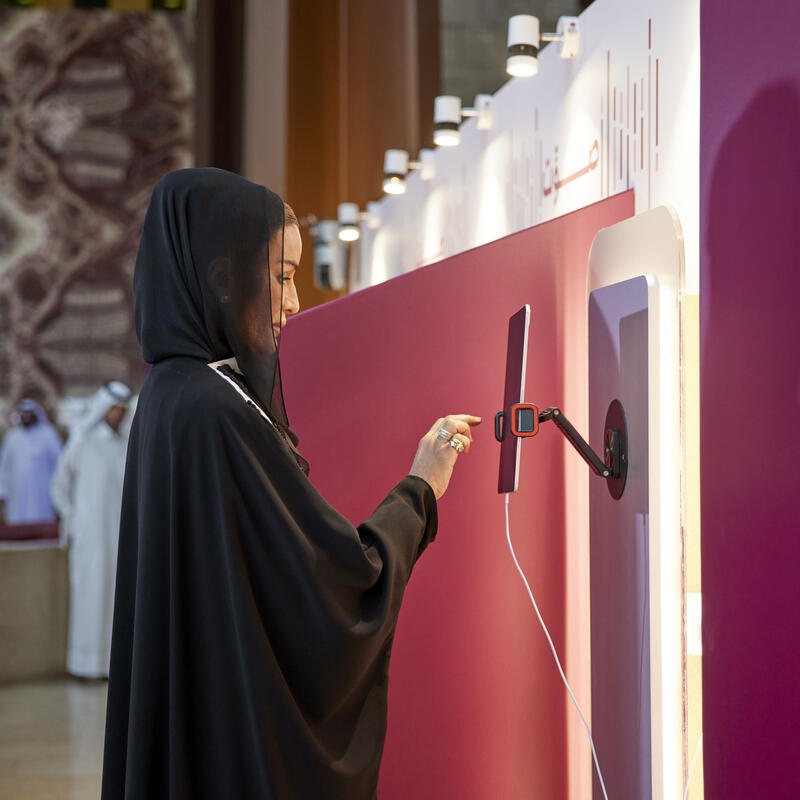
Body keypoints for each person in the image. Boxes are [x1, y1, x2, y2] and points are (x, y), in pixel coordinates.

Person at [101, 168, 481, 799]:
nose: (295, 302)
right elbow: (332, 587)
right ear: (225, 279)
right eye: (280, 276)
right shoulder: (213, 409)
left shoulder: (171, 395)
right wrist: (422, 487)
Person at [51, 381, 132, 678]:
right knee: (91, 598)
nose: (118, 414)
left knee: (117, 600)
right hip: (90, 538)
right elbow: (59, 486)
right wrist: (74, 521)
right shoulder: (83, 441)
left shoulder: (127, 444)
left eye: (122, 409)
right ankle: (85, 666)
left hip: (121, 537)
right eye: (114, 408)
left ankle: (114, 667)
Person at [0, 399, 62, 524]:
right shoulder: (12, 437)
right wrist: (3, 492)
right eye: (23, 414)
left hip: (43, 492)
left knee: (42, 523)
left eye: (29, 414)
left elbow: (59, 464)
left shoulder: (49, 435)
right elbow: (4, 466)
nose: (26, 417)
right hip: (17, 493)